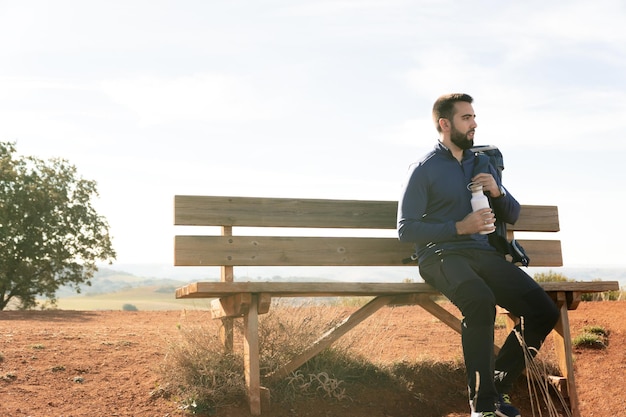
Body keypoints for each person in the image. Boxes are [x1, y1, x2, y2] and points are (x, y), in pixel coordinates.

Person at [397, 93, 560, 417]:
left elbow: (511, 213)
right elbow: (406, 229)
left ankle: (496, 386)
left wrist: (497, 191)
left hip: (482, 254)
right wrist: (458, 227)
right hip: (440, 255)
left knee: (542, 311)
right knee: (480, 301)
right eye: (466, 118)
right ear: (445, 124)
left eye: (473, 117)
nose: (474, 123)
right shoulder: (424, 169)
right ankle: (482, 407)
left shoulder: (481, 162)